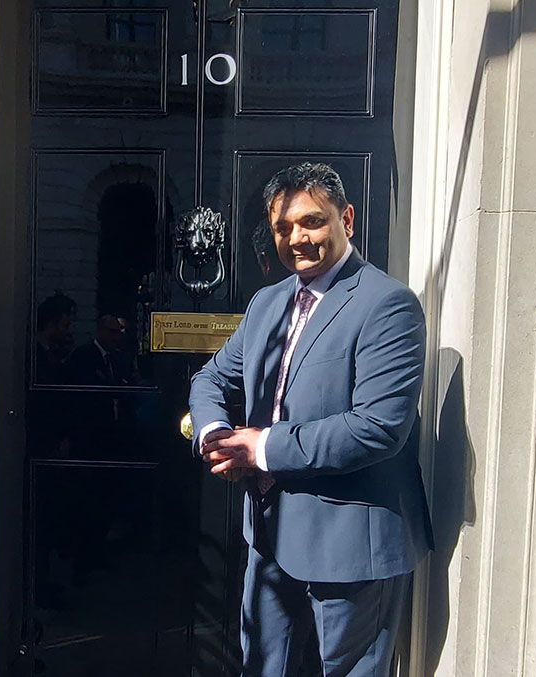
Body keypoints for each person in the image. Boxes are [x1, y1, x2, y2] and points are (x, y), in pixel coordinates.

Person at [189, 163, 433, 676]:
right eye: (282, 228)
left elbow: (378, 427)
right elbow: (211, 380)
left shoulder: (387, 304)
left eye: (311, 222)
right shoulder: (266, 305)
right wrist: (215, 434)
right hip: (269, 533)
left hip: (350, 541)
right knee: (261, 666)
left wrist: (261, 448)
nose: (296, 238)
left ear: (346, 218)